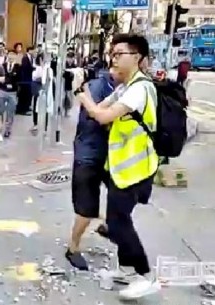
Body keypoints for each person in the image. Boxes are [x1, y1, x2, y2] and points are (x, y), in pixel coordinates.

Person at [75, 33, 160, 300]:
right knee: (117, 219)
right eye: (112, 53)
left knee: (118, 222)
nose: (113, 58)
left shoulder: (140, 89)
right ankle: (126, 269)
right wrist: (86, 94)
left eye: (119, 54)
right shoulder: (126, 87)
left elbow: (101, 116)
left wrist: (81, 94)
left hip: (137, 170)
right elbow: (97, 108)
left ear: (137, 57)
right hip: (121, 169)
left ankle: (145, 274)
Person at [66, 66, 115, 271]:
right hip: (89, 154)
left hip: (114, 155)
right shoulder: (97, 87)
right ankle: (73, 247)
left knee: (123, 197)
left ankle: (108, 225)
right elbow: (93, 118)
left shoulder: (131, 87)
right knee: (86, 209)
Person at [0, 50, 20, 138]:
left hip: (13, 92)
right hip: (2, 90)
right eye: (9, 56)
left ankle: (8, 130)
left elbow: (19, 79)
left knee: (10, 112)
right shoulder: (3, 66)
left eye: (13, 57)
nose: (11, 58)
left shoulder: (18, 67)